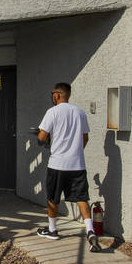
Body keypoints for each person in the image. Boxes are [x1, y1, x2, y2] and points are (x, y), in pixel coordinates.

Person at [37, 82, 99, 251]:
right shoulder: (80, 113)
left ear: (57, 95)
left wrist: (43, 138)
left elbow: (42, 136)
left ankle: (52, 229)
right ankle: (91, 231)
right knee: (81, 198)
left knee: (53, 198)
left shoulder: (52, 112)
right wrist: (76, 151)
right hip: (77, 164)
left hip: (57, 164)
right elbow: (85, 138)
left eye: (53, 94)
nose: (52, 97)